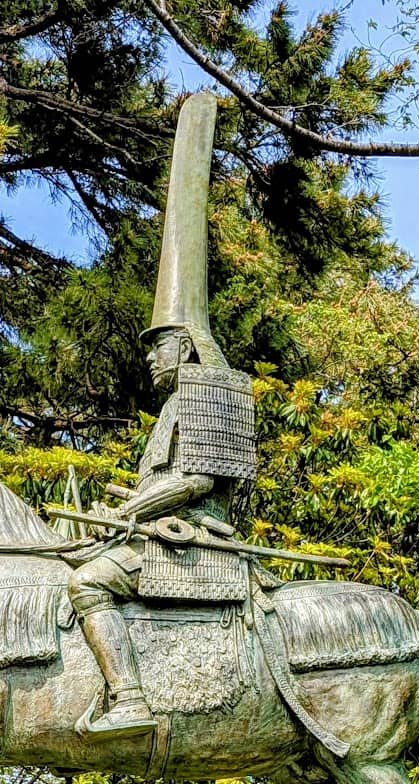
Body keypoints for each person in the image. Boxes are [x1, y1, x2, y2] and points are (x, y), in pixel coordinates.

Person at [67, 92, 256, 740]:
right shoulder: (172, 406)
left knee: (88, 584)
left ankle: (129, 700)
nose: (152, 362)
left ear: (190, 344)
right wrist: (123, 502)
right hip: (158, 531)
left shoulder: (210, 391)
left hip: (195, 542)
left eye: (163, 347)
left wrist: (131, 510)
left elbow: (196, 485)